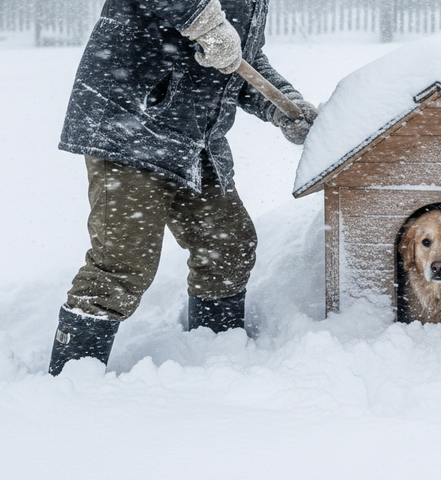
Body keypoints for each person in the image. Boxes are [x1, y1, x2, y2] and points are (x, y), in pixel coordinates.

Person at [48, 0, 317, 375]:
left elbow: (241, 58)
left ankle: (215, 358)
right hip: (132, 122)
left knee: (228, 244)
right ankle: (70, 378)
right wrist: (204, 21)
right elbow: (204, 27)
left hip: (194, 136)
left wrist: (283, 105)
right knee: (123, 262)